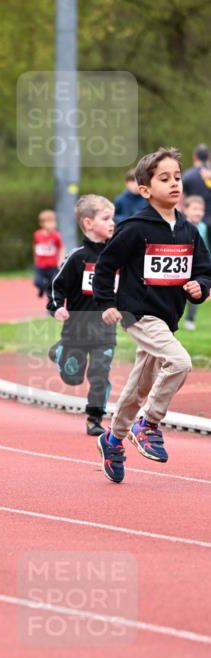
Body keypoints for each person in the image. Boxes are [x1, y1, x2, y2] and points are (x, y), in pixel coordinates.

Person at [93, 147, 211, 483]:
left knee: (139, 385)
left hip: (166, 317)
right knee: (180, 362)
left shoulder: (187, 230)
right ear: (145, 189)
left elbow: (204, 270)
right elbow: (106, 265)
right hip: (138, 313)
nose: (175, 184)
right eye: (164, 179)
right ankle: (149, 423)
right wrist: (107, 303)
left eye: (177, 177)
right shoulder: (134, 228)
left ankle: (113, 439)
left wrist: (200, 287)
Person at [47, 195, 117, 437]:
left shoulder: (117, 256)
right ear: (88, 223)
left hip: (105, 331)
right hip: (75, 330)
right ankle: (59, 352)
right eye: (106, 218)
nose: (112, 223)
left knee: (100, 372)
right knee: (73, 378)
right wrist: (56, 307)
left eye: (113, 218)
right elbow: (57, 285)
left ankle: (94, 417)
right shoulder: (77, 257)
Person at [181, 195, 210, 330]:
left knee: (196, 290)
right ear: (185, 210)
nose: (198, 212)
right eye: (195, 209)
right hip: (182, 264)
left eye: (201, 210)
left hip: (196, 266)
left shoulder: (203, 227)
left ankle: (190, 318)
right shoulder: (180, 226)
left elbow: (205, 246)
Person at [32, 210, 64, 299]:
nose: (52, 224)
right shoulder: (37, 235)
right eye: (49, 222)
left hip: (52, 266)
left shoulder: (56, 236)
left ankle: (50, 307)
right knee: (37, 282)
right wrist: (35, 260)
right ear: (42, 223)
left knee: (53, 286)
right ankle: (43, 289)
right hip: (40, 266)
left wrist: (60, 260)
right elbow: (35, 247)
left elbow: (61, 248)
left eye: (53, 221)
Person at [182, 144, 211, 228]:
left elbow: (180, 197)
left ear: (194, 156)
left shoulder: (187, 175)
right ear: (209, 157)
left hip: (194, 222)